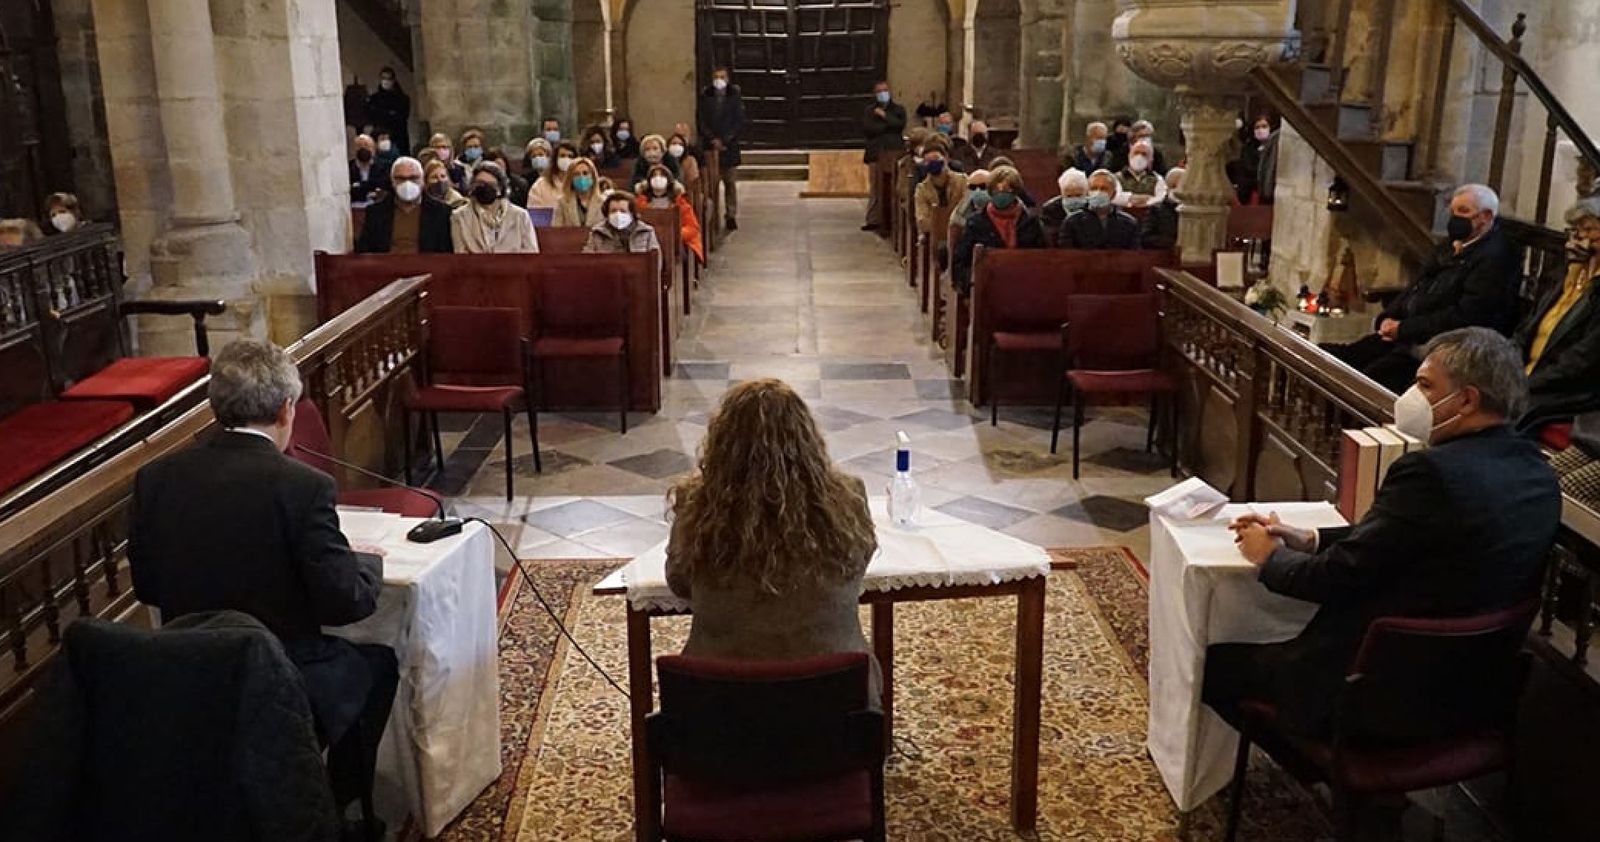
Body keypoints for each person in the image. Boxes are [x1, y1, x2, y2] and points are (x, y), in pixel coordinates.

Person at [1204, 327, 1560, 739]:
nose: (1410, 396)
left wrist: (1269, 555)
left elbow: (1334, 579)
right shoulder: (1538, 474)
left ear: (1466, 400)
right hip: (1474, 693)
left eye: (1424, 385)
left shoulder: (1429, 472)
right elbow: (1411, 542)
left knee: (1213, 665)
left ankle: (1331, 778)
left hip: (1378, 692)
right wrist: (1311, 538)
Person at [127, 339, 399, 837]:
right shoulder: (302, 487)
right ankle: (323, 808)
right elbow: (345, 603)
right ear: (285, 409)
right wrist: (366, 566)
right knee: (378, 666)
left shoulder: (155, 478)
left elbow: (148, 585)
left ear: (215, 406)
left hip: (185, 664)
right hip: (283, 671)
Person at [664, 379, 881, 701]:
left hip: (719, 699)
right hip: (833, 695)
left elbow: (679, 582)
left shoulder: (696, 501)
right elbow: (857, 567)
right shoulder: (849, 496)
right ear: (808, 438)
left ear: (722, 441)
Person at [1323, 184, 1518, 393]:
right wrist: (1389, 317)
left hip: (1439, 346)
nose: (1455, 219)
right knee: (1334, 357)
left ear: (1486, 217)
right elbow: (1417, 285)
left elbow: (1465, 315)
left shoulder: (1495, 259)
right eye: (1452, 212)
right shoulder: (1451, 245)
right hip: (1408, 333)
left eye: (1463, 212)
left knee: (1365, 381)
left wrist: (1404, 329)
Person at [1514, 197, 1600, 433]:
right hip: (1529, 375)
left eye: (1590, 230)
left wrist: (1527, 382)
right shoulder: (1570, 276)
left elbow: (1581, 361)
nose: (1579, 239)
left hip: (1569, 389)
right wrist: (1507, 367)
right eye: (1576, 230)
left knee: (1508, 412)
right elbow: (1526, 330)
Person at [952, 165, 1044, 295]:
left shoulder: (1030, 222)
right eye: (996, 190)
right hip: (988, 287)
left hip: (1024, 285)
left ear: (1015, 192)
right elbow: (961, 260)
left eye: (1006, 190)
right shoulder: (976, 223)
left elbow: (1041, 258)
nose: (1001, 194)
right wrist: (972, 285)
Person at [355, 156, 454, 254]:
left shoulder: (442, 212)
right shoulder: (375, 213)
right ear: (392, 182)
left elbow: (446, 253)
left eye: (413, 178)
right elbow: (364, 251)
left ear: (423, 181)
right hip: (387, 268)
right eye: (400, 179)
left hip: (428, 268)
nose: (407, 183)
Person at [451, 160, 539, 254]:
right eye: (480, 183)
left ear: (500, 189)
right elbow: (460, 255)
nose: (485, 187)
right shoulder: (459, 217)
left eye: (491, 185)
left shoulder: (520, 216)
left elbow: (531, 253)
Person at [698, 66, 746, 231]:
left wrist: (727, 139)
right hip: (710, 147)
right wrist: (712, 139)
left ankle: (731, 214)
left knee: (730, 182)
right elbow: (701, 120)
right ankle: (712, 217)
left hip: (729, 146)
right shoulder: (706, 96)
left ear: (727, 79)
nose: (719, 80)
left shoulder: (734, 95)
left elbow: (739, 120)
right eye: (716, 77)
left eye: (722, 77)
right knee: (711, 184)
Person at [861, 80, 907, 235]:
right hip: (876, 154)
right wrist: (888, 126)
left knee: (893, 188)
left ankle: (892, 220)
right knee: (876, 188)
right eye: (879, 91)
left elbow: (899, 125)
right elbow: (869, 129)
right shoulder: (869, 111)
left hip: (893, 152)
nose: (883, 94)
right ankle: (873, 220)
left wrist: (885, 117)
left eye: (885, 90)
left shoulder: (898, 109)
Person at [636, 162, 705, 265]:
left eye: (662, 175)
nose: (658, 178)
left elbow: (692, 228)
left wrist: (675, 235)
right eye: (654, 176)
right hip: (648, 240)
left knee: (680, 252)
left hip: (675, 241)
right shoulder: (640, 202)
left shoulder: (679, 202)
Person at [914, 138, 967, 271]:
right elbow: (922, 219)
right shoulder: (922, 189)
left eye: (936, 159)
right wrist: (940, 225)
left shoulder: (962, 181)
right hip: (937, 237)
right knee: (943, 250)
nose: (933, 163)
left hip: (961, 233)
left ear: (946, 158)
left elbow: (968, 208)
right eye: (928, 161)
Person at [1059, 168, 1140, 249]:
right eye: (1094, 188)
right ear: (1088, 192)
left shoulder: (1129, 224)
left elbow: (1134, 256)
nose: (1098, 192)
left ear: (1114, 194)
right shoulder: (1071, 222)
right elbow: (1066, 255)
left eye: (1104, 189)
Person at [585, 191, 662, 258]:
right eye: (613, 211)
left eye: (623, 211)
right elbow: (587, 259)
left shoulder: (646, 231)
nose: (618, 214)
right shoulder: (597, 232)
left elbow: (656, 260)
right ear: (607, 214)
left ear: (632, 213)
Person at [366, 66, 410, 156]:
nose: (386, 81)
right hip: (380, 139)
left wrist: (385, 114)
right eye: (383, 78)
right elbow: (372, 117)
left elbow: (402, 117)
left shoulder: (402, 99)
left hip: (399, 139)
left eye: (388, 78)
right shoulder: (374, 99)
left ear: (393, 80)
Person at [1232, 114, 1274, 204]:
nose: (1260, 130)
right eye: (1257, 127)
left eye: (1264, 126)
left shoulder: (1274, 148)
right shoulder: (1248, 149)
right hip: (1250, 192)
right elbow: (1246, 168)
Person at [553, 157, 605, 228]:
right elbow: (556, 229)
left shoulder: (603, 202)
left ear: (593, 177)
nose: (581, 177)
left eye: (585, 173)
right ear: (571, 179)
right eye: (576, 174)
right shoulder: (562, 202)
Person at [1114, 138, 1167, 208]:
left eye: (1144, 154)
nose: (1139, 157)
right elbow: (1115, 197)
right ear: (1129, 155)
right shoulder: (1116, 177)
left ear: (1151, 159)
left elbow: (1160, 198)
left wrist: (1145, 203)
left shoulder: (1157, 179)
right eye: (1136, 153)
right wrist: (1132, 198)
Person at [1140, 166, 1183, 251]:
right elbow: (1145, 238)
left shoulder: (1192, 211)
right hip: (1163, 255)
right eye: (1173, 185)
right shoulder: (1156, 210)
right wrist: (1172, 243)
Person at [1039, 168, 1089, 233]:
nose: (1074, 200)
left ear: (1086, 194)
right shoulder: (1050, 210)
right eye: (1069, 196)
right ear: (1062, 194)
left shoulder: (1093, 208)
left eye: (1078, 195)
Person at [948, 168, 990, 237]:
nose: (977, 190)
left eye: (983, 186)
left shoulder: (1000, 205)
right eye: (973, 187)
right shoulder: (962, 210)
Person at [524, 138, 564, 210]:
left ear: (549, 157)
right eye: (534, 156)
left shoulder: (557, 177)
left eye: (540, 154)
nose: (538, 158)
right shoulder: (526, 180)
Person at [348, 134, 386, 202]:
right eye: (359, 146)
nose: (363, 148)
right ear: (354, 149)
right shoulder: (349, 168)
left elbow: (382, 187)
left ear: (373, 149)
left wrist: (360, 186)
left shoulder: (382, 167)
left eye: (366, 145)